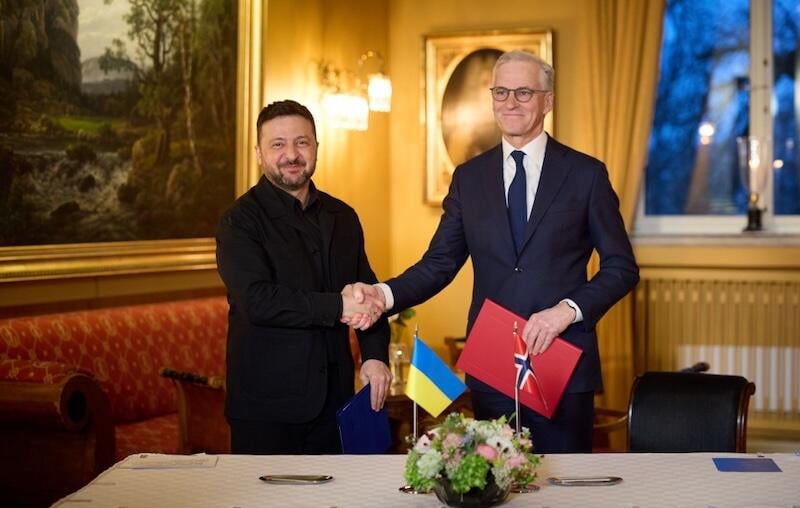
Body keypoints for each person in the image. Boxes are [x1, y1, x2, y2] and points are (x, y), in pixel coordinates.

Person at [344, 51, 639, 453]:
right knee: (497, 490)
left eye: (523, 92)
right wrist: (384, 294)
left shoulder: (586, 175)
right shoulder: (469, 178)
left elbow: (621, 267)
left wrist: (566, 311)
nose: (510, 102)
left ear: (547, 101)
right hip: (494, 363)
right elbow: (440, 263)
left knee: (563, 494)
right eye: (501, 91)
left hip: (563, 362)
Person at [216, 99, 391, 455]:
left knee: (335, 507)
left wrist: (374, 356)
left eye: (302, 142)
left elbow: (367, 293)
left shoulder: (343, 217)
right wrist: (336, 307)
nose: (291, 154)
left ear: (316, 147)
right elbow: (258, 301)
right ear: (259, 154)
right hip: (267, 409)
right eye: (277, 144)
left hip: (336, 403)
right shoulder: (238, 221)